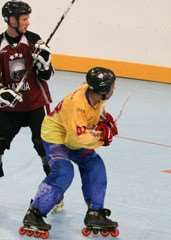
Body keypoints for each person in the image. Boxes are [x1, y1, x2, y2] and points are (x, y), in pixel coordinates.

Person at [19, 67, 119, 238]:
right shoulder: (76, 105)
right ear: (103, 91)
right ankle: (34, 213)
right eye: (112, 86)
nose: (114, 89)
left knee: (95, 164)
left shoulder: (95, 95)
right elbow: (75, 141)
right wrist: (102, 137)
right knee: (64, 171)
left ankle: (95, 213)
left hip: (71, 134)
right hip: (55, 138)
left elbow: (93, 113)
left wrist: (103, 119)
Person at [0, 0, 53, 177]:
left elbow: (45, 76)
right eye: (24, 18)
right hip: (9, 107)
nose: (27, 22)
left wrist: (45, 63)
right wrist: (1, 92)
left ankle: (53, 188)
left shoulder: (33, 39)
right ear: (11, 20)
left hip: (34, 104)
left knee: (43, 145)